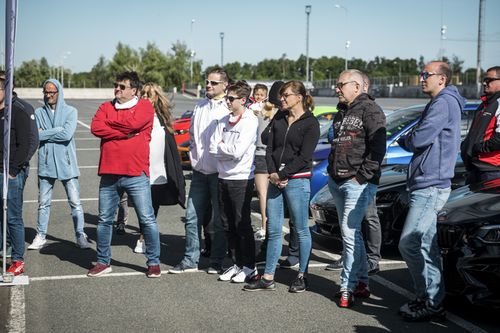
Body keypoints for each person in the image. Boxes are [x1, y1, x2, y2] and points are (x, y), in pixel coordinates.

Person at [398, 61, 465, 321]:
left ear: (442, 79)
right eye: (421, 74)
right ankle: (430, 299)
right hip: (428, 182)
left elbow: (419, 138)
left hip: (431, 184)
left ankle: (429, 299)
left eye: (426, 74)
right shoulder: (438, 102)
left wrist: (408, 138)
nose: (421, 78)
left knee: (410, 243)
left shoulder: (442, 103)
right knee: (426, 245)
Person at [243, 80, 319, 293]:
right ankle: (268, 277)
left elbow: (305, 156)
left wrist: (284, 174)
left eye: (286, 95)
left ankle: (302, 275)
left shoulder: (311, 123)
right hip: (276, 179)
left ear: (299, 97)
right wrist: (273, 173)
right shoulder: (279, 117)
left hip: (297, 180)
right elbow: (268, 145)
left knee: (301, 228)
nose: (281, 99)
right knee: (274, 230)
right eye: (281, 96)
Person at [87, 71, 161, 278]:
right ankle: (103, 262)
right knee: (104, 220)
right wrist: (123, 133)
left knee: (146, 219)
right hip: (109, 173)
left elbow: (133, 125)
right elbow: (96, 127)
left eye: (122, 86)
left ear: (134, 90)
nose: (117, 89)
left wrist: (110, 126)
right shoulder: (106, 107)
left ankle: (154, 262)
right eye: (116, 85)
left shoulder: (145, 106)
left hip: (136, 173)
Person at [327, 69, 386, 308]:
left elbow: (378, 148)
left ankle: (346, 287)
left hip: (357, 184)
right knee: (353, 235)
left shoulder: (371, 110)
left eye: (341, 84)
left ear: (358, 86)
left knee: (349, 235)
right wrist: (332, 173)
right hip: (337, 181)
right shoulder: (342, 111)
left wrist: (361, 178)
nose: (337, 89)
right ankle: (362, 282)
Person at [169, 68, 230, 274]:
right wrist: (194, 158)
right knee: (192, 216)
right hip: (199, 172)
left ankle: (216, 261)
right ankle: (190, 259)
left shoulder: (227, 109)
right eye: (207, 82)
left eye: (213, 83)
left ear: (224, 86)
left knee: (219, 220)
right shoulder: (200, 106)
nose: (208, 86)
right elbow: (193, 135)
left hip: (219, 173)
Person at [27, 79, 91, 251]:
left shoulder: (71, 111)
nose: (48, 95)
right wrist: (57, 130)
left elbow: (67, 135)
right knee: (43, 203)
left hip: (67, 165)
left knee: (75, 203)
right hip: (46, 165)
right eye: (45, 92)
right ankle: (41, 235)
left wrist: (47, 133)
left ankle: (80, 235)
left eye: (51, 92)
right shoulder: (39, 113)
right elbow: (36, 136)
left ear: (59, 92)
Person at [209, 80, 258, 283]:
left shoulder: (249, 121)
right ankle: (237, 263)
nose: (227, 101)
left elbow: (238, 152)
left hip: (241, 179)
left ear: (243, 100)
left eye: (230, 98)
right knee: (227, 223)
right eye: (227, 98)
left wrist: (223, 148)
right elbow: (212, 148)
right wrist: (223, 149)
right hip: (223, 177)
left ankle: (250, 266)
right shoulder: (222, 121)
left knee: (241, 223)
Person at [131, 82, 186, 253]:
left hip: (159, 169)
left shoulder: (162, 117)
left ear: (157, 97)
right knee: (142, 204)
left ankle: (144, 236)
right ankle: (144, 235)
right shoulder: (136, 115)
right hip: (141, 166)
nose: (146, 96)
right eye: (144, 93)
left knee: (152, 205)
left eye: (150, 94)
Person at [0, 70, 39, 276]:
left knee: (13, 216)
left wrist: (14, 170)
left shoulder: (19, 111)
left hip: (10, 173)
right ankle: (2, 250)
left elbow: (27, 143)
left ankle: (17, 258)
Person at [461, 66, 500, 184]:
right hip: (476, 168)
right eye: (484, 79)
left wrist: (478, 148)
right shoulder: (485, 104)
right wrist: (466, 145)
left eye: (489, 80)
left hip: (491, 170)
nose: (484, 83)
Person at [248, 83, 269, 241]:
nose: (259, 97)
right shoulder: (250, 109)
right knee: (262, 194)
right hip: (256, 154)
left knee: (265, 194)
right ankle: (264, 225)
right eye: (257, 94)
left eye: (262, 94)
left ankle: (265, 226)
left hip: (264, 154)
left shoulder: (269, 109)